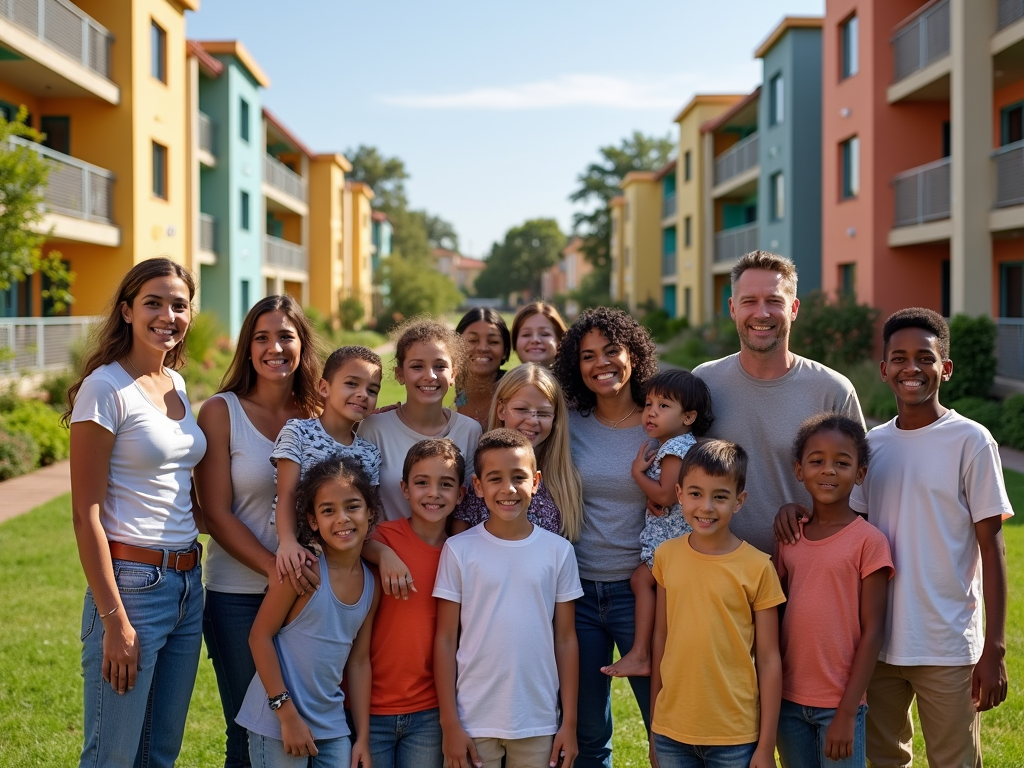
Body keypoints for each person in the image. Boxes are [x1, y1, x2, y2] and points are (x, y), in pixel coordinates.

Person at [776, 308, 1012, 768]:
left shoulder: (971, 440)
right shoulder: (873, 445)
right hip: (877, 644)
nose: (911, 368)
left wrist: (995, 649)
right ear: (884, 370)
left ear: (944, 368)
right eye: (899, 358)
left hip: (945, 643)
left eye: (924, 357)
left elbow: (993, 546)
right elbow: (845, 523)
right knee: (885, 761)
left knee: (954, 761)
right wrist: (797, 511)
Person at [65, 257, 208, 767]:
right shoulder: (105, 389)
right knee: (113, 756)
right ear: (127, 310)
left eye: (179, 304)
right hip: (133, 586)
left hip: (189, 585)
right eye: (154, 302)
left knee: (159, 754)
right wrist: (114, 620)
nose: (167, 314)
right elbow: (86, 514)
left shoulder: (177, 385)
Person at [195, 295, 324, 768]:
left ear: (302, 344)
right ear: (248, 348)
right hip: (238, 598)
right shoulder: (220, 412)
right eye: (262, 337)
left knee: (312, 727)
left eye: (285, 336)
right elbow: (216, 513)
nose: (275, 347)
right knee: (249, 733)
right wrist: (275, 570)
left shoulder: (319, 411)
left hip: (312, 596)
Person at [693, 250, 863, 555]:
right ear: (733, 308)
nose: (761, 313)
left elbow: (860, 496)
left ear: (794, 308)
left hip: (804, 573)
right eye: (749, 301)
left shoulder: (833, 391)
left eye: (774, 301)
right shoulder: (704, 383)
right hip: (716, 574)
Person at [434, 429, 582, 768]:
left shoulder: (558, 552)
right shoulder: (458, 550)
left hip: (537, 717)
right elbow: (444, 639)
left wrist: (568, 723)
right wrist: (450, 723)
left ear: (536, 481)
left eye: (519, 477)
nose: (508, 489)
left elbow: (566, 638)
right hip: (472, 719)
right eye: (495, 478)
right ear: (478, 486)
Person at [552, 307, 660, 768]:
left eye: (611, 351)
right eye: (588, 355)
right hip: (577, 593)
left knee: (665, 723)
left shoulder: (661, 421)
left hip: (643, 593)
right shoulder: (567, 422)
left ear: (633, 355)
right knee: (588, 733)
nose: (602, 363)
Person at [235, 456, 379, 767]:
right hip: (277, 722)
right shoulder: (304, 572)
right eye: (328, 511)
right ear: (313, 521)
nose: (342, 518)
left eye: (353, 506)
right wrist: (287, 716)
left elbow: (359, 661)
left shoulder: (371, 584)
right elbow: (259, 637)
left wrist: (362, 738)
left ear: (371, 513)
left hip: (332, 725)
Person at [650, 439, 785, 768]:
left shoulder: (758, 567)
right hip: (671, 732)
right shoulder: (666, 556)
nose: (706, 507)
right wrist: (655, 727)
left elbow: (768, 660)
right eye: (695, 494)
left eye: (720, 497)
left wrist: (766, 746)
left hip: (734, 737)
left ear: (739, 502)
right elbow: (661, 639)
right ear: (679, 493)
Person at [775, 414, 892, 768]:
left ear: (860, 473)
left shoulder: (869, 542)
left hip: (840, 703)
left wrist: (846, 711)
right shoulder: (789, 537)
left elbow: (873, 632)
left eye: (842, 463)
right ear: (799, 469)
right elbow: (775, 612)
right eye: (817, 461)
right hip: (787, 700)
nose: (828, 470)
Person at [602, 369, 714, 679]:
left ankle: (640, 653)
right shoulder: (675, 445)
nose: (651, 412)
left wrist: (638, 474)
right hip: (672, 537)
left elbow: (666, 495)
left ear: (688, 416)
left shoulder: (675, 449)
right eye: (649, 403)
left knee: (641, 581)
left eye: (664, 406)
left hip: (674, 540)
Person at [361, 439, 466, 768]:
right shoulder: (383, 537)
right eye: (422, 483)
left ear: (461, 494)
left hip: (428, 712)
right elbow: (355, 542)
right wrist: (384, 554)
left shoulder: (462, 553)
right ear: (404, 489)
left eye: (445, 484)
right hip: (370, 707)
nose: (433, 493)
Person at [273, 346, 383, 592]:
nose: (363, 394)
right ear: (324, 388)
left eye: (372, 390)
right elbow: (287, 494)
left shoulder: (370, 453)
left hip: (346, 573)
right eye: (352, 384)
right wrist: (288, 542)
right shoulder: (298, 433)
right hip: (298, 563)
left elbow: (368, 517)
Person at [359, 318, 482, 523]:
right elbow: (363, 506)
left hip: (449, 550)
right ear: (400, 374)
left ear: (453, 374)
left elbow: (468, 508)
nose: (430, 375)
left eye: (440, 366)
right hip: (385, 549)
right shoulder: (374, 428)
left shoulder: (470, 430)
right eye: (417, 367)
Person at [452, 363, 583, 541]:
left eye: (543, 413)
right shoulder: (480, 480)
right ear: (501, 410)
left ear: (555, 418)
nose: (532, 421)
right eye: (521, 409)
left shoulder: (563, 482)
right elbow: (458, 544)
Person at [454, 307, 511, 429]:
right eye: (473, 340)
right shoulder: (441, 391)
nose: (483, 348)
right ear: (455, 346)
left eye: (493, 342)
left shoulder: (516, 393)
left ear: (505, 351)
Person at [511, 301, 568, 368]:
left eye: (544, 334)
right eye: (526, 334)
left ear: (560, 341)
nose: (535, 340)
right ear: (515, 342)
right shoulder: (506, 378)